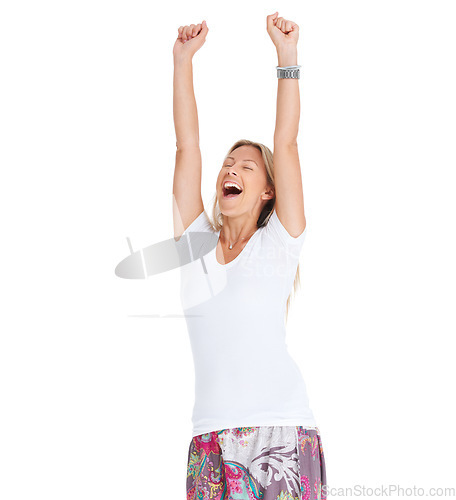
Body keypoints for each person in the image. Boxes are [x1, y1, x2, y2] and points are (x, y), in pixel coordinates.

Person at [172, 12, 327, 500]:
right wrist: (182, 63)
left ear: (267, 191)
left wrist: (287, 59)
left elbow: (286, 142)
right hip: (209, 439)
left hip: (281, 433)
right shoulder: (194, 246)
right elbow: (187, 147)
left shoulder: (279, 242)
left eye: (246, 166)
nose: (229, 171)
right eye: (227, 164)